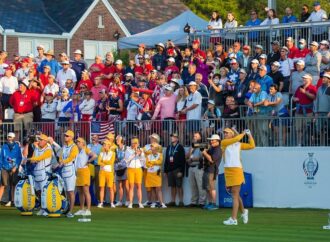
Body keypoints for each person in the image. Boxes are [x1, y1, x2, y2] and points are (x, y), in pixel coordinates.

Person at [222, 128, 255, 225]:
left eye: (227, 133)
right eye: (224, 133)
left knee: (235, 195)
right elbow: (235, 139)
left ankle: (234, 219)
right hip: (228, 171)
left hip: (236, 170)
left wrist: (249, 135)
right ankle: (244, 212)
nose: (225, 134)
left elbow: (252, 146)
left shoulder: (238, 144)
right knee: (235, 194)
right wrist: (243, 133)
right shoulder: (224, 142)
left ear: (232, 134)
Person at [29, 133, 52, 216]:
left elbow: (41, 157)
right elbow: (33, 159)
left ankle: (47, 209)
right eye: (39, 139)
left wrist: (31, 159)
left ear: (45, 141)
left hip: (45, 172)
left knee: (44, 191)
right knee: (39, 191)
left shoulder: (48, 149)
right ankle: (42, 208)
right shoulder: (37, 148)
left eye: (41, 140)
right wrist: (32, 159)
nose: (39, 141)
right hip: (37, 172)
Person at [58, 130, 78, 218]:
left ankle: (70, 210)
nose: (65, 137)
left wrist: (63, 162)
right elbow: (60, 156)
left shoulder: (74, 147)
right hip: (64, 170)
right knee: (66, 192)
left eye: (67, 136)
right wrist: (60, 162)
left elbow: (71, 157)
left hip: (70, 170)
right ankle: (67, 208)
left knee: (70, 191)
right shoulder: (64, 146)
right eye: (65, 135)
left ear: (71, 137)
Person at [74, 137, 96, 216]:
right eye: (77, 142)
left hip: (84, 171)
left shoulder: (86, 149)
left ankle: (88, 209)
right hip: (78, 172)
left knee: (86, 191)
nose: (77, 143)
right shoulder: (78, 151)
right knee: (80, 191)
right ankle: (82, 209)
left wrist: (88, 161)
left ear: (83, 143)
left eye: (79, 142)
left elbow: (94, 155)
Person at [293, 74, 317, 146]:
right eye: (303, 78)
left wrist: (305, 92)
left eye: (305, 78)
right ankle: (299, 144)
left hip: (308, 112)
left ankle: (309, 144)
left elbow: (313, 97)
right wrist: (295, 99)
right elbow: (294, 97)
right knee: (298, 129)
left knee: (308, 129)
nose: (303, 80)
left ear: (310, 80)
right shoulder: (299, 88)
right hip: (299, 112)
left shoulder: (313, 87)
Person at [0, 132, 22, 207]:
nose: (10, 138)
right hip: (5, 168)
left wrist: (16, 166)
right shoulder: (4, 146)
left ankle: (13, 201)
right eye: (9, 137)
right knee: (3, 184)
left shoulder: (17, 147)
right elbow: (1, 158)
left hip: (14, 168)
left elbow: (19, 158)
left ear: (14, 138)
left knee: (13, 184)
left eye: (11, 137)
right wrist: (2, 167)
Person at [164, 132, 186, 207]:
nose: (172, 138)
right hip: (170, 170)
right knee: (172, 186)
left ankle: (181, 201)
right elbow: (166, 160)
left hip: (177, 169)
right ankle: (173, 201)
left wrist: (181, 171)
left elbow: (183, 160)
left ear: (177, 138)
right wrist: (165, 170)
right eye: (171, 137)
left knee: (179, 186)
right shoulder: (168, 147)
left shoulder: (180, 147)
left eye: (173, 137)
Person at [185, 132, 206, 208]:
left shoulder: (203, 145)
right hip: (191, 167)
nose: (194, 137)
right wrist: (191, 151)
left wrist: (193, 159)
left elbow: (203, 157)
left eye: (196, 136)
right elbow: (186, 156)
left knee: (200, 185)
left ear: (200, 137)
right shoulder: (191, 146)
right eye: (194, 136)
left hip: (198, 167)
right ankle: (193, 202)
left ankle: (202, 202)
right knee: (193, 186)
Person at [124, 137, 145, 208]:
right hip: (130, 169)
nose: (134, 144)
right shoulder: (128, 150)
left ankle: (140, 203)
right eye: (133, 143)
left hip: (138, 169)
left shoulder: (141, 150)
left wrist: (140, 154)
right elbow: (127, 160)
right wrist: (134, 154)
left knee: (139, 186)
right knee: (131, 187)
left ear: (138, 143)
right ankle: (130, 203)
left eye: (135, 143)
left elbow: (143, 160)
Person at [202, 134, 221, 210]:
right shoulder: (212, 148)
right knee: (207, 188)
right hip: (207, 169)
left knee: (211, 188)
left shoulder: (218, 150)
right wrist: (204, 152)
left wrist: (204, 152)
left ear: (218, 141)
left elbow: (211, 160)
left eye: (213, 140)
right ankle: (210, 203)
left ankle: (214, 204)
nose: (211, 141)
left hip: (212, 170)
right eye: (211, 140)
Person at [145, 143, 166, 208]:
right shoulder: (148, 156)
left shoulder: (160, 155)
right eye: (151, 147)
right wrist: (154, 162)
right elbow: (147, 164)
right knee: (153, 188)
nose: (151, 148)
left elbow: (160, 162)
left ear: (156, 148)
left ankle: (161, 203)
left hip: (157, 173)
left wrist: (152, 162)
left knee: (158, 188)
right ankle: (155, 202)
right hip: (150, 173)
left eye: (153, 147)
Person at [96, 140, 116, 208]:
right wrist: (103, 162)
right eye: (103, 144)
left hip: (109, 172)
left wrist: (103, 162)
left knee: (110, 188)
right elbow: (98, 162)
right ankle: (101, 202)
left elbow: (111, 162)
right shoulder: (101, 153)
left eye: (105, 144)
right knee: (101, 187)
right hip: (102, 172)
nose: (104, 145)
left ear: (108, 145)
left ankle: (112, 203)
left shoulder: (112, 153)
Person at [114, 135, 129, 207]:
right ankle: (120, 201)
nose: (117, 140)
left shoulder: (126, 148)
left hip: (125, 167)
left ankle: (128, 200)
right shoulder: (116, 149)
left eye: (118, 139)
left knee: (126, 185)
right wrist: (116, 160)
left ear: (122, 140)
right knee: (120, 185)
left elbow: (128, 157)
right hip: (118, 168)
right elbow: (115, 158)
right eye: (116, 139)